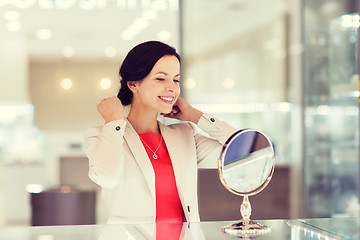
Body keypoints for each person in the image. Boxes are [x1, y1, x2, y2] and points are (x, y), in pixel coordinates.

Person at [84, 41, 237, 225]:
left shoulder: (185, 134)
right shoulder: (103, 135)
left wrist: (196, 116)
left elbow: (245, 152)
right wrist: (113, 122)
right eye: (161, 78)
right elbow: (107, 177)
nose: (171, 87)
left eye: (176, 79)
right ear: (133, 84)